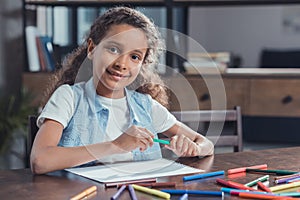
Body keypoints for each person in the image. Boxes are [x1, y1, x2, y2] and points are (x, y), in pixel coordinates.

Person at [30, 6, 214, 174]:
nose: (122, 64)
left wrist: (194, 149)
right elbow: (40, 160)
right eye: (113, 49)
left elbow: (206, 144)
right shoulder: (69, 98)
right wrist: (116, 145)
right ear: (92, 49)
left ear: (142, 64)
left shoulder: (146, 106)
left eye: (134, 56)